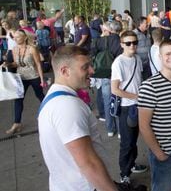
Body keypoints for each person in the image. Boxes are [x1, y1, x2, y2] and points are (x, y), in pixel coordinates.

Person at [37, 45, 118, 191]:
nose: (92, 71)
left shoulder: (55, 97)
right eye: (85, 67)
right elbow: (88, 163)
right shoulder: (67, 106)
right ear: (65, 71)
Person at [138, 39, 171, 191]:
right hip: (164, 152)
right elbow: (144, 125)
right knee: (162, 187)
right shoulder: (150, 86)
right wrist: (159, 153)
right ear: (160, 57)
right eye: (168, 54)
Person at [111, 30, 148, 183]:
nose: (132, 45)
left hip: (139, 106)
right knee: (127, 142)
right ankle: (124, 174)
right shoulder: (118, 63)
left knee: (133, 139)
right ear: (122, 45)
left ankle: (131, 165)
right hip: (127, 108)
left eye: (135, 42)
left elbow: (138, 80)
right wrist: (136, 97)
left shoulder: (137, 59)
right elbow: (115, 89)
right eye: (128, 43)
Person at [2, 29, 46, 134]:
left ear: (25, 38)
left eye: (18, 37)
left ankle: (49, 114)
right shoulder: (14, 49)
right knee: (18, 99)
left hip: (33, 76)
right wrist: (7, 64)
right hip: (21, 77)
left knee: (40, 96)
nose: (15, 39)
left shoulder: (32, 49)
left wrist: (42, 79)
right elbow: (16, 64)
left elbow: (38, 64)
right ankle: (17, 123)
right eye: (15, 37)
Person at [91, 21, 123, 137]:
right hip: (118, 76)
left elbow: (92, 52)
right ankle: (120, 131)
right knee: (119, 102)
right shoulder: (121, 41)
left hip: (105, 75)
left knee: (107, 102)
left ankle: (110, 129)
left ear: (108, 30)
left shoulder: (100, 41)